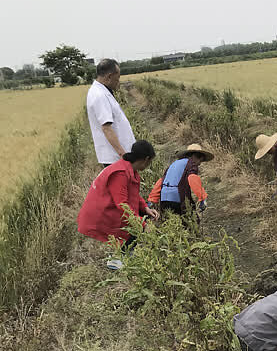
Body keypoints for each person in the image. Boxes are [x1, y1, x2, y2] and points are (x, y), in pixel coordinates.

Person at [77, 140, 159, 269]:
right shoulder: (120, 173)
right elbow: (122, 204)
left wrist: (145, 208)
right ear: (146, 159)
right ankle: (116, 261)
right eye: (150, 162)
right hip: (102, 212)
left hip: (110, 207)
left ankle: (124, 256)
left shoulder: (130, 169)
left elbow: (133, 195)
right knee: (137, 226)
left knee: (141, 218)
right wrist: (142, 224)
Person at [86, 59, 136, 167]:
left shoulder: (101, 91)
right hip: (115, 158)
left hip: (117, 157)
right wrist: (123, 155)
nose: (118, 82)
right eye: (117, 79)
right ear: (109, 77)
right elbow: (106, 128)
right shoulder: (99, 95)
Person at [148, 143, 212, 217]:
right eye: (200, 160)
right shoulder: (191, 164)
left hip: (164, 199)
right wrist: (202, 199)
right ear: (196, 156)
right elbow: (193, 179)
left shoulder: (173, 164)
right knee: (191, 221)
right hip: (177, 199)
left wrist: (152, 200)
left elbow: (161, 182)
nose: (199, 164)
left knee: (168, 223)